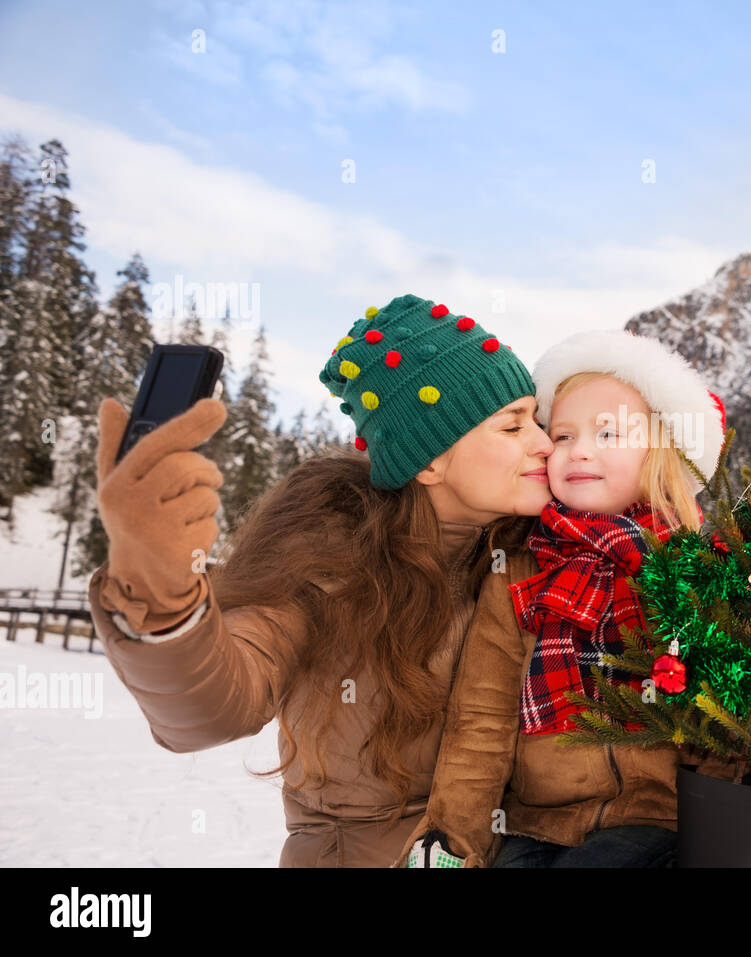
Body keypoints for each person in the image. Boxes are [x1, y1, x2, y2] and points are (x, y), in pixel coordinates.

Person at [88, 293, 552, 866]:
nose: (543, 442)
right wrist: (159, 597)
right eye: (512, 426)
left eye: (537, 419)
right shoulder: (328, 559)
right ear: (429, 462)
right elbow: (214, 707)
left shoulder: (534, 554)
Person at [397, 330, 751, 868]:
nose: (580, 449)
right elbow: (481, 717)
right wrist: (453, 840)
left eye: (609, 433)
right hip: (534, 825)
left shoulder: (702, 568)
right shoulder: (520, 567)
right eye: (563, 435)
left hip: (661, 825)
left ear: (658, 453)